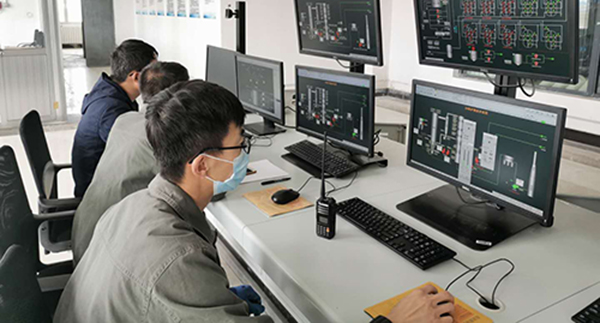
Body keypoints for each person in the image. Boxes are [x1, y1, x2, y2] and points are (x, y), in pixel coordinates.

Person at [54, 80, 456, 323]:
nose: (245, 152)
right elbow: (173, 280)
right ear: (202, 165)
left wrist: (216, 304)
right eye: (239, 144)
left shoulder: (132, 206)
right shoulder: (177, 261)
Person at [71, 61, 189, 265]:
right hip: (104, 250)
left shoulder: (125, 119)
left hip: (86, 227)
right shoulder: (159, 136)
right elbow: (194, 182)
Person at [71, 39, 158, 197]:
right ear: (136, 77)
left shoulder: (109, 91)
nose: (159, 75)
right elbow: (135, 154)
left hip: (100, 180)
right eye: (154, 71)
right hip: (99, 194)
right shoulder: (111, 110)